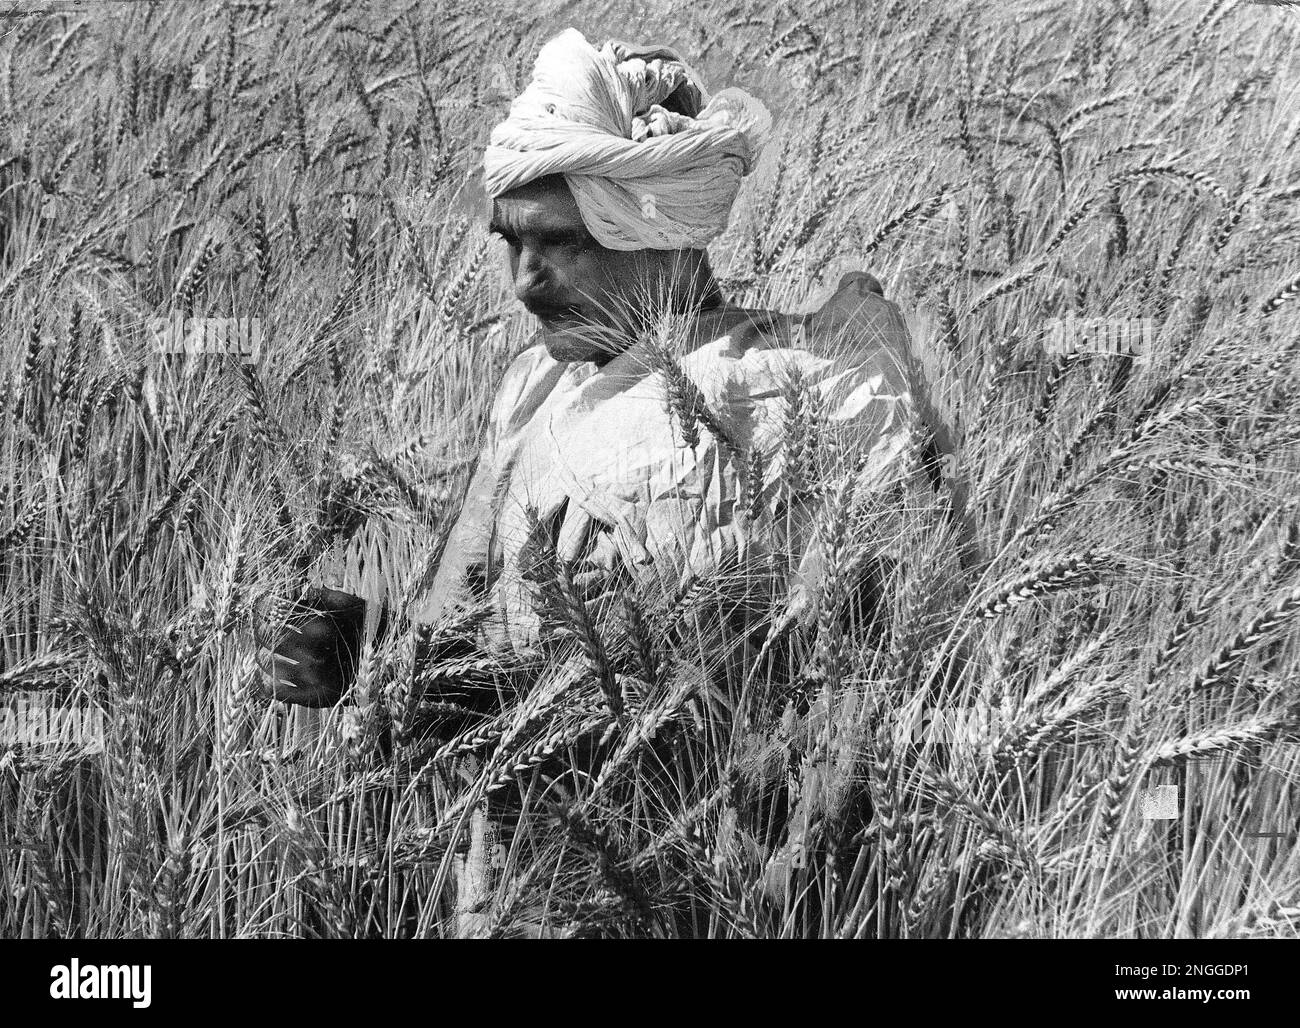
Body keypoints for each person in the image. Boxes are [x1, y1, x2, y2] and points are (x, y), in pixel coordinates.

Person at [256, 28, 927, 714]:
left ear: (654, 231)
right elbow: (458, 631)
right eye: (510, 242)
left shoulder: (786, 386)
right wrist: (366, 643)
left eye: (557, 242)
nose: (522, 281)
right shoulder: (532, 387)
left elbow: (724, 683)